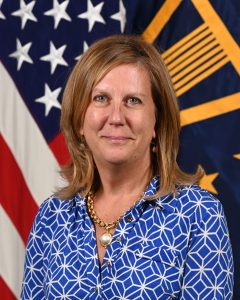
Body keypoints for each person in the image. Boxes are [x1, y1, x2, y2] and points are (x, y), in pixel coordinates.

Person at [20, 35, 233, 299]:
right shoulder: (51, 217)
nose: (117, 117)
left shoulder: (198, 215)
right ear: (79, 120)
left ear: (157, 121)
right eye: (100, 98)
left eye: (133, 100)